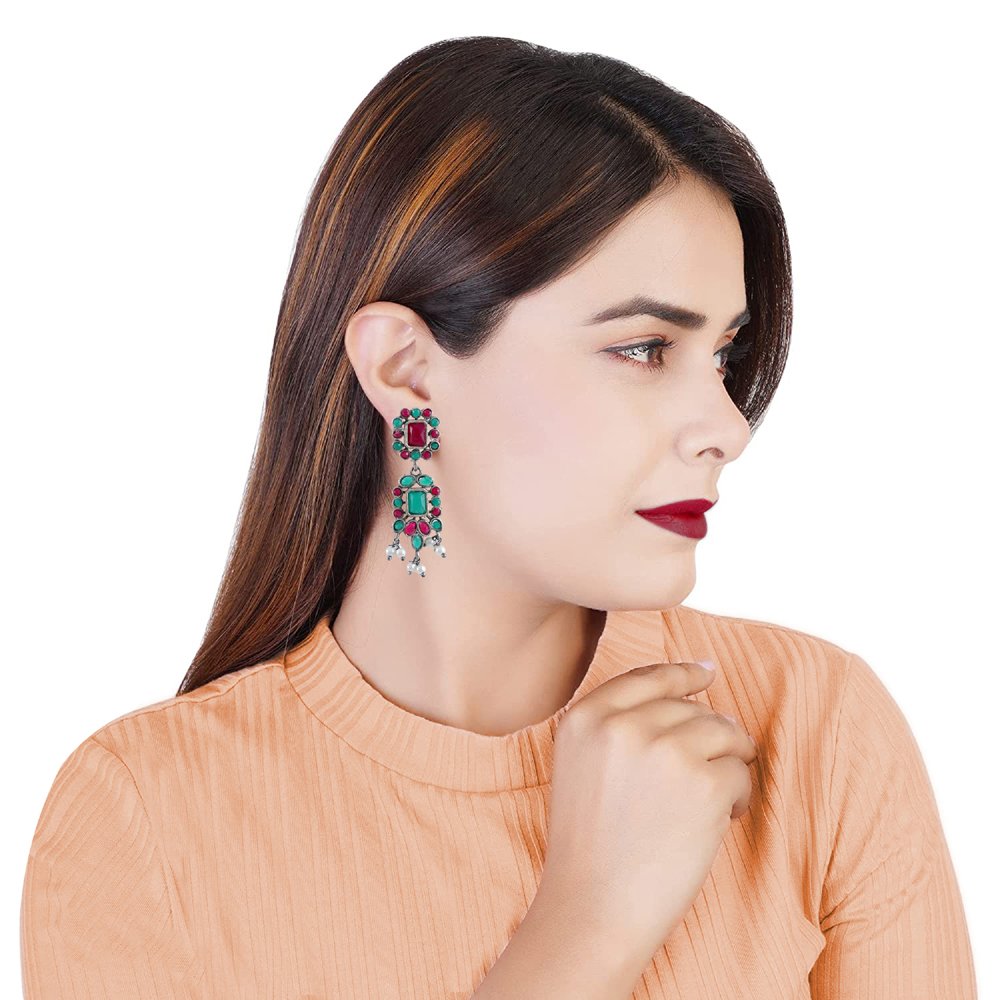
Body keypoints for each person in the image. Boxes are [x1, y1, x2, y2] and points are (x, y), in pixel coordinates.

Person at [20, 35, 977, 999]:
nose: (728, 428)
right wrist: (590, 923)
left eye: (724, 355)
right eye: (644, 348)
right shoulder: (145, 817)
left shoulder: (814, 727)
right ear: (406, 369)